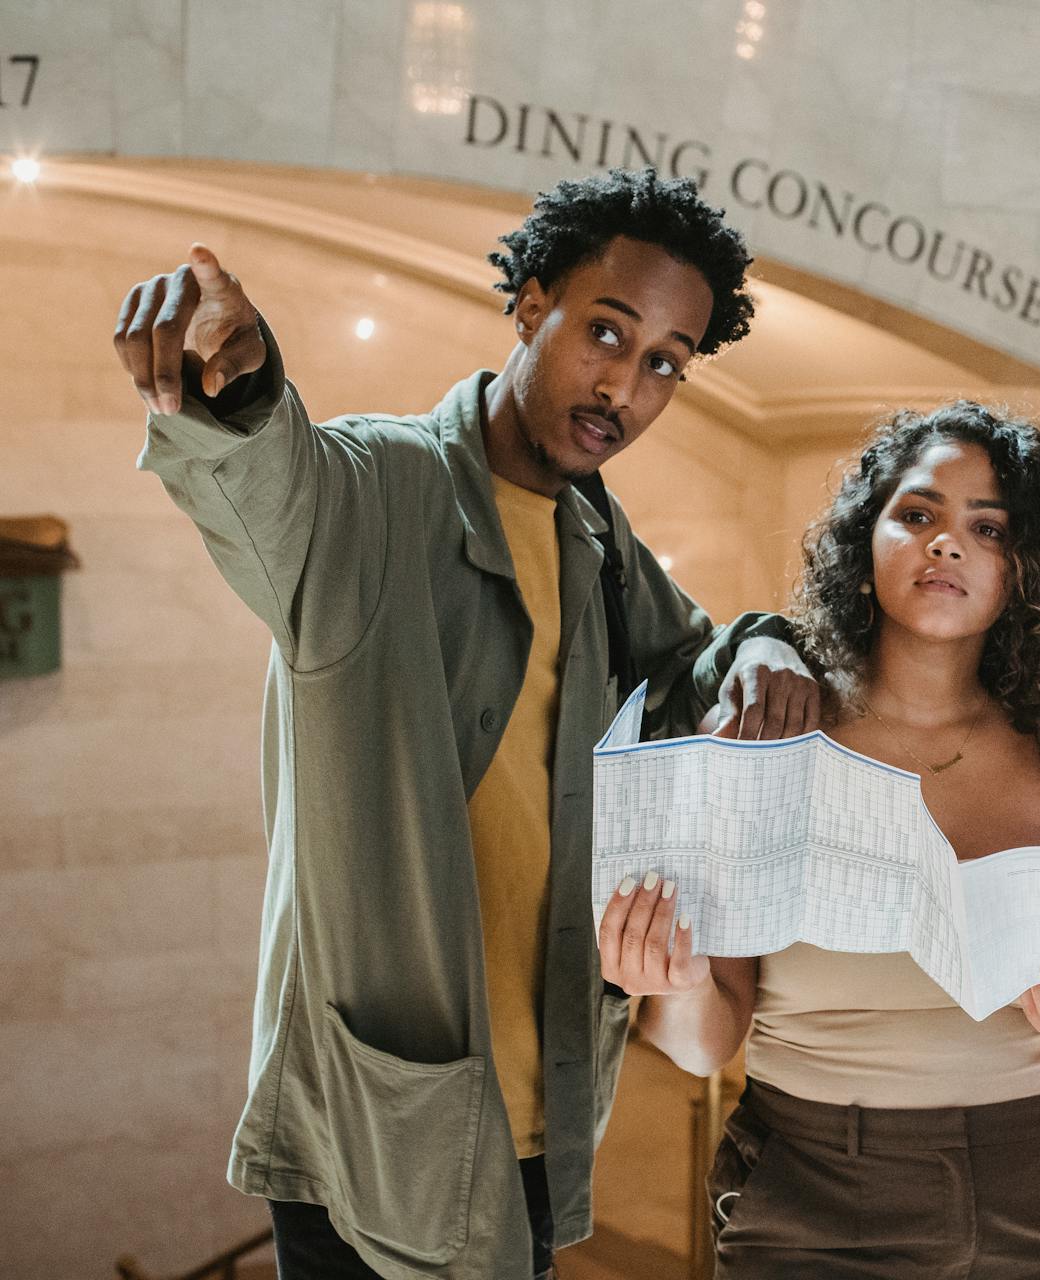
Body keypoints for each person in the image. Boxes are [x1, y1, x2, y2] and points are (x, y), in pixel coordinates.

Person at [114, 169, 819, 1280]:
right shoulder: (374, 487)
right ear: (530, 304)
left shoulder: (599, 540)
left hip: (545, 1128)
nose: (625, 385)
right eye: (606, 331)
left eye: (665, 364)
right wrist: (236, 384)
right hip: (373, 1137)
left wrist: (768, 644)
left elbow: (697, 653)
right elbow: (268, 474)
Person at [598, 400, 1040, 1278]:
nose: (946, 544)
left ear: (1024, 572)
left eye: (987, 528)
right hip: (811, 1184)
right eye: (918, 515)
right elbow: (702, 1044)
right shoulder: (766, 736)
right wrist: (669, 983)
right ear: (864, 546)